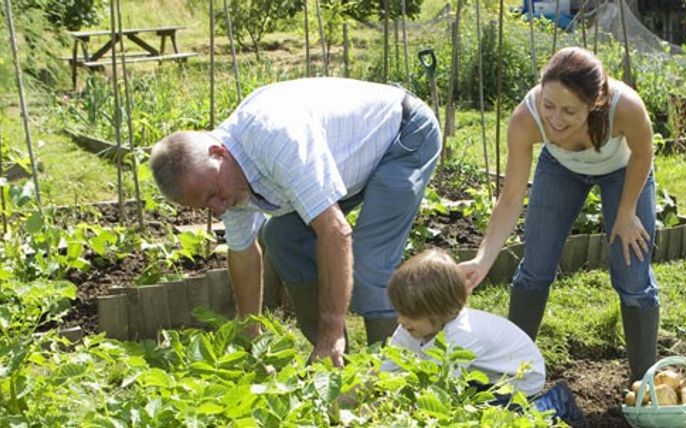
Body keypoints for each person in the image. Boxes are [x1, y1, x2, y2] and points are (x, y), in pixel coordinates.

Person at [149, 77, 442, 366]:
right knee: (282, 237)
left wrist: (333, 328)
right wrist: (249, 331)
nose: (218, 208)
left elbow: (335, 232)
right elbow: (243, 252)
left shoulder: (275, 139)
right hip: (351, 160)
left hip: (402, 137)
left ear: (219, 153)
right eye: (205, 205)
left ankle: (393, 368)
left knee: (368, 262)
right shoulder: (225, 181)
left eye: (214, 195)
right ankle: (332, 364)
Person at [457, 47, 659, 383]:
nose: (555, 119)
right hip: (560, 168)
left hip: (623, 170)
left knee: (633, 275)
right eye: (548, 105)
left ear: (595, 102)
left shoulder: (625, 107)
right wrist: (482, 259)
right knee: (535, 267)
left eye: (569, 110)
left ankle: (645, 385)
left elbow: (643, 153)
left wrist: (626, 213)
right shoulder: (526, 118)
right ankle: (513, 373)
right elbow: (510, 199)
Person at [380, 248, 546, 397]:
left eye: (410, 315)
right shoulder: (412, 327)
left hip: (519, 381)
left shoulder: (462, 336)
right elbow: (388, 367)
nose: (400, 320)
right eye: (400, 311)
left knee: (477, 413)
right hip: (483, 374)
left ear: (441, 312)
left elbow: (436, 391)